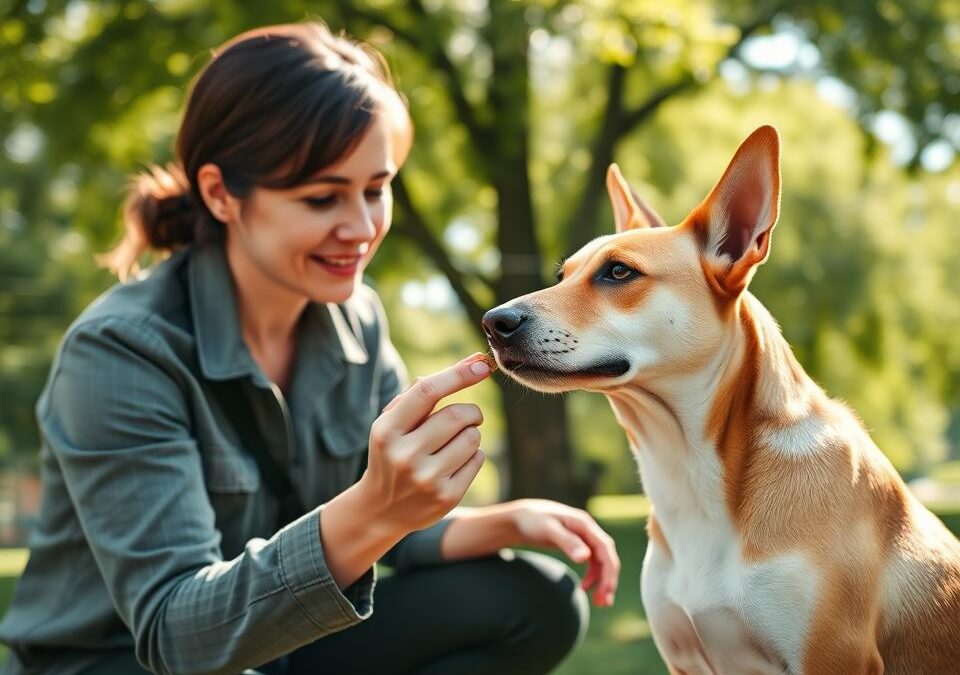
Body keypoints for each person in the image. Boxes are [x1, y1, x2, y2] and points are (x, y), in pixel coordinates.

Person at [0, 22, 620, 675]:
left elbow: (389, 533)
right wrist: (377, 504)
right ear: (220, 194)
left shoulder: (358, 321)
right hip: (121, 660)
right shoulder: (122, 352)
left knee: (537, 599)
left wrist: (501, 520)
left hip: (277, 645)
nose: (360, 228)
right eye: (322, 196)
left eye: (376, 189)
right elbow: (177, 636)